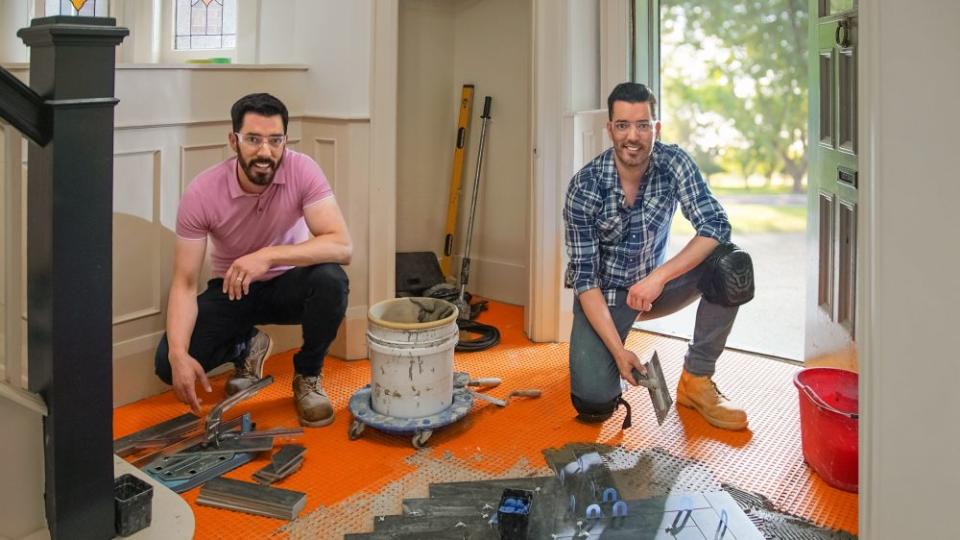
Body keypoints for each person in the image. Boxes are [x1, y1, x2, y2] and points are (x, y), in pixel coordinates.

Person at [154, 93, 351, 428]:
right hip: (234, 289)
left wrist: (267, 255)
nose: (265, 152)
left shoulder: (302, 169)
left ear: (285, 141)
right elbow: (184, 283)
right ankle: (246, 345)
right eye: (254, 140)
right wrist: (177, 354)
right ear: (234, 141)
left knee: (331, 280)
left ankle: (307, 376)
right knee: (166, 364)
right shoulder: (202, 192)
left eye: (275, 141)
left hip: (290, 284)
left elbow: (341, 246)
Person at [563, 82, 748, 431]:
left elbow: (716, 225)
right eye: (622, 125)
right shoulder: (584, 187)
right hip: (606, 297)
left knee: (732, 265)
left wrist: (658, 278)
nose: (633, 136)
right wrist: (619, 356)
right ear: (610, 129)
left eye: (643, 125)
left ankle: (696, 380)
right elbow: (585, 281)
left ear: (655, 128)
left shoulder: (673, 162)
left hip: (657, 290)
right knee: (593, 405)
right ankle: (603, 363)